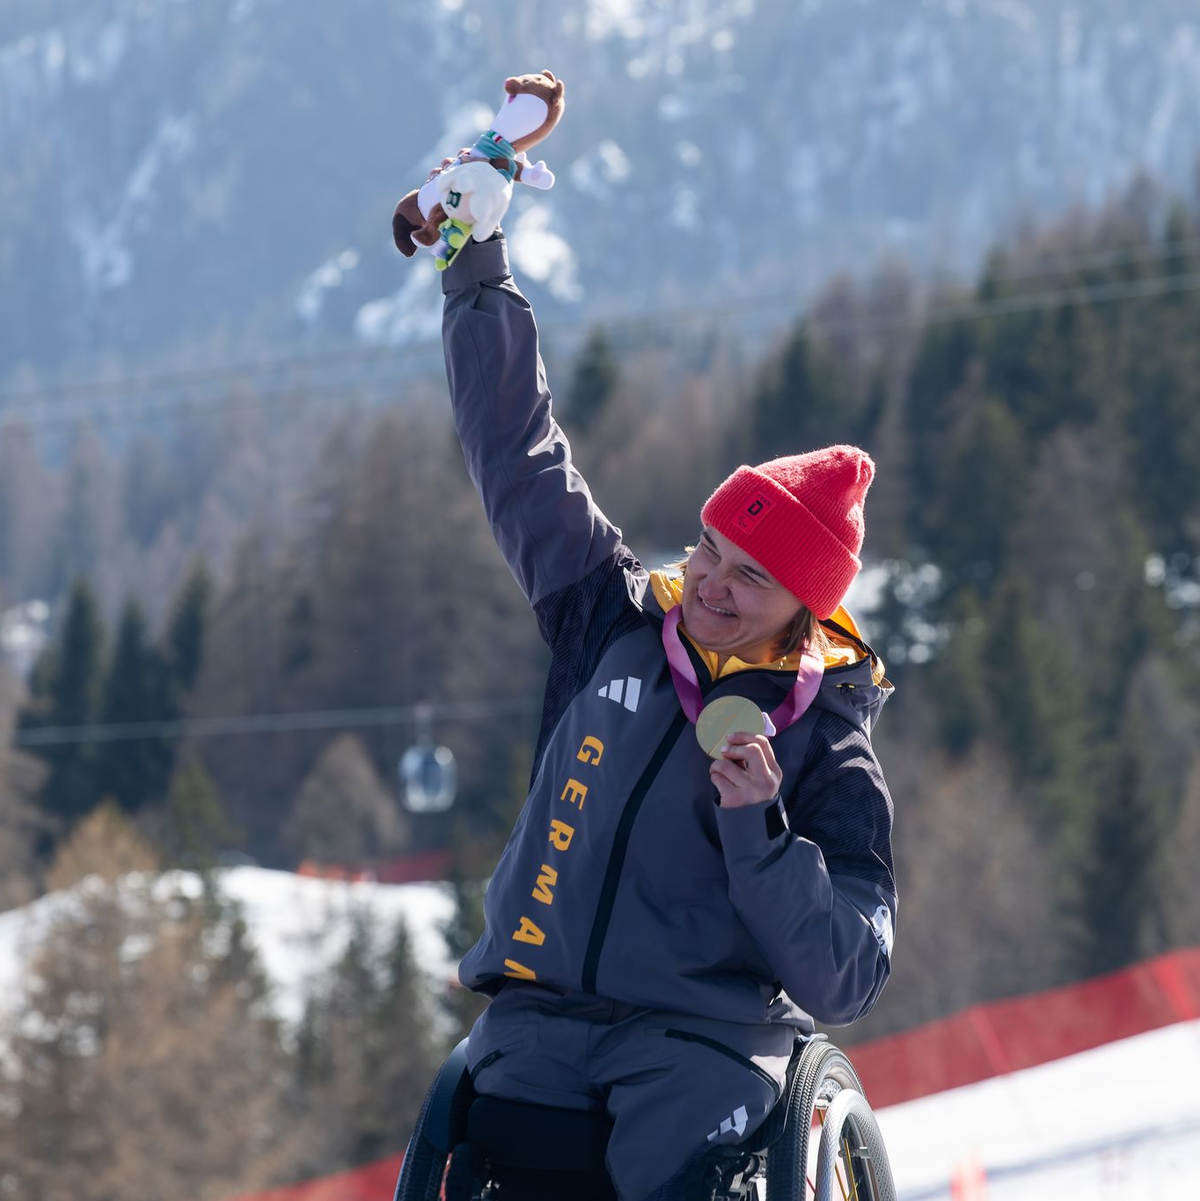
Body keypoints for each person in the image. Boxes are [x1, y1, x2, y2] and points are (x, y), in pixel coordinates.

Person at [435, 212, 896, 1200]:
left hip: (706, 1043)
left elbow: (846, 976)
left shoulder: (829, 741)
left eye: (752, 579)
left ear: (805, 610)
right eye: (710, 551)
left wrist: (759, 832)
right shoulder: (611, 617)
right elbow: (518, 453)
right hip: (543, 1022)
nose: (714, 585)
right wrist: (477, 272)